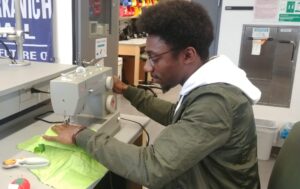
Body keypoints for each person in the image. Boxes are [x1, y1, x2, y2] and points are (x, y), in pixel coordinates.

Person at [43, 0, 262, 188]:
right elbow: (175, 115)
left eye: (154, 58)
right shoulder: (209, 84)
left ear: (187, 55)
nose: (147, 68)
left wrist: (80, 135)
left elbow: (151, 168)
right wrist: (127, 91)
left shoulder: (215, 102)